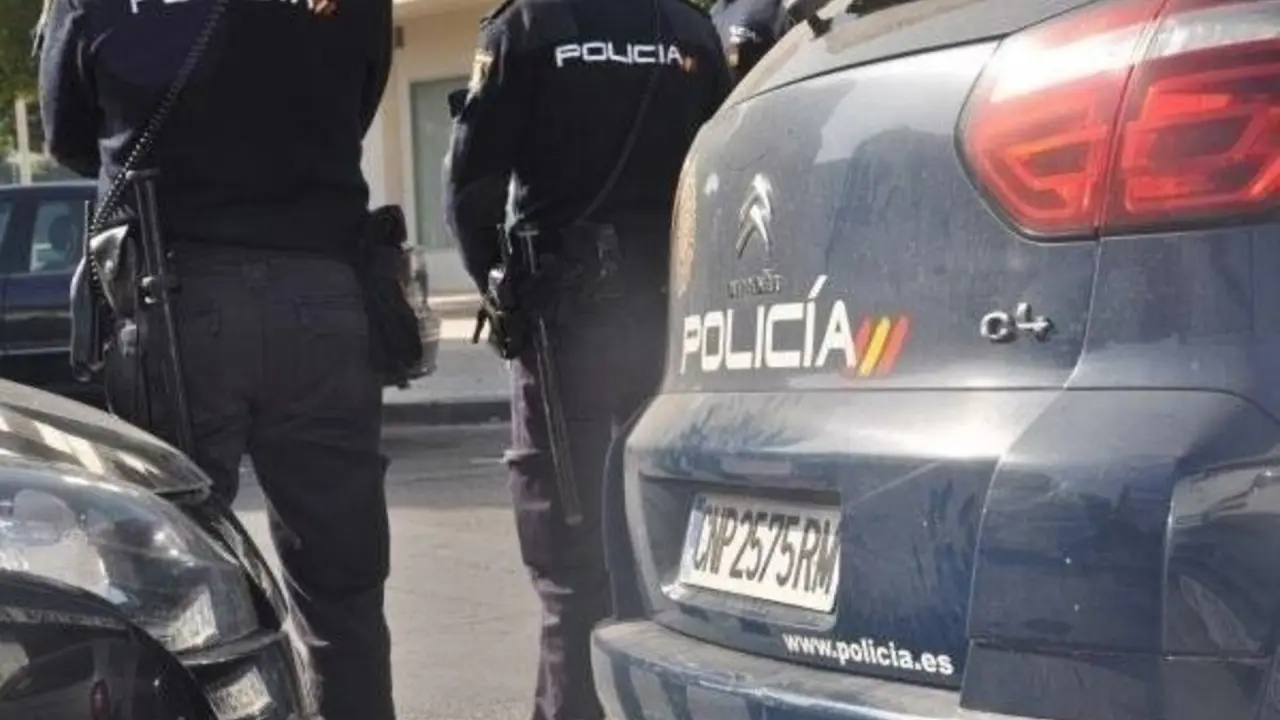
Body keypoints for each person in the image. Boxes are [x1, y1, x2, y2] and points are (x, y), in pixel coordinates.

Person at [37, 1, 397, 718]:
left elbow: (68, 134)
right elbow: (358, 100)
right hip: (321, 287)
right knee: (345, 597)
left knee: (159, 595)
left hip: (175, 302)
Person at [444, 0, 731, 715]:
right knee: (671, 558)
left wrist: (503, 293)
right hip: (673, 326)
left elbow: (471, 189)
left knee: (572, 574)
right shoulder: (689, 31)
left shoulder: (529, 28)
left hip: (565, 330)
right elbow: (723, 177)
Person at [707, 0, 792, 84]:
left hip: (778, 66)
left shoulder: (714, 17)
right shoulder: (714, 15)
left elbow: (733, 51)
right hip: (753, 79)